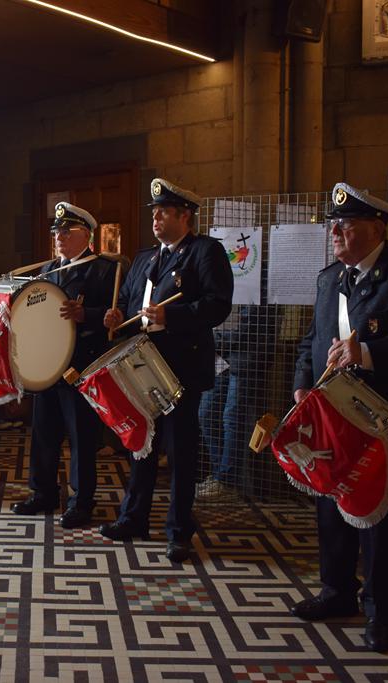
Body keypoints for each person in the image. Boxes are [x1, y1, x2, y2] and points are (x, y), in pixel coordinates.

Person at [289, 182, 388, 653]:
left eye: (346, 224)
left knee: (379, 516)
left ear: (377, 228)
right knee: (330, 507)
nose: (335, 232)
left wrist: (368, 353)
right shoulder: (328, 279)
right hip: (334, 417)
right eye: (333, 225)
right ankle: (336, 591)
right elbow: (311, 341)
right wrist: (302, 384)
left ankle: (379, 611)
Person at [101, 178, 233, 560]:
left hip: (181, 367)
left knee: (180, 451)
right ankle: (134, 518)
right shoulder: (145, 257)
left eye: (163, 213)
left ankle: (178, 530)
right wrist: (117, 317)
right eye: (154, 213)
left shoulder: (205, 252)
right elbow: (129, 303)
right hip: (142, 365)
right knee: (142, 445)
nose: (155, 219)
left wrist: (170, 316)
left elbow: (218, 305)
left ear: (185, 216)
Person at [10, 202, 119, 528]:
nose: (59, 237)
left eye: (66, 231)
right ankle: (42, 492)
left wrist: (87, 315)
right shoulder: (48, 270)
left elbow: (117, 314)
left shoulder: (103, 269)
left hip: (80, 366)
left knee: (82, 437)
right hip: (48, 364)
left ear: (86, 234)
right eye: (56, 231)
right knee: (44, 433)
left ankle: (81, 501)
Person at [197, 305, 265, 499]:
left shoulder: (256, 290)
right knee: (206, 413)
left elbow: (249, 326)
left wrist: (212, 340)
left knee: (233, 417)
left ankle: (226, 481)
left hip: (245, 358)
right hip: (221, 357)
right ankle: (221, 476)